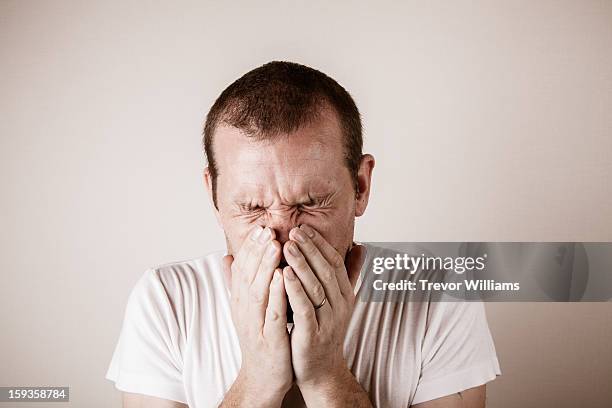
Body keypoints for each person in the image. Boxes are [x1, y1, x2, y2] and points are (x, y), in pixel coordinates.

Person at [106, 61, 501, 407]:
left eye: (310, 202)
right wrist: (257, 382)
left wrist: (327, 376)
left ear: (360, 187)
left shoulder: (439, 296)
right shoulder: (166, 301)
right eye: (252, 208)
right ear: (213, 195)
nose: (281, 236)